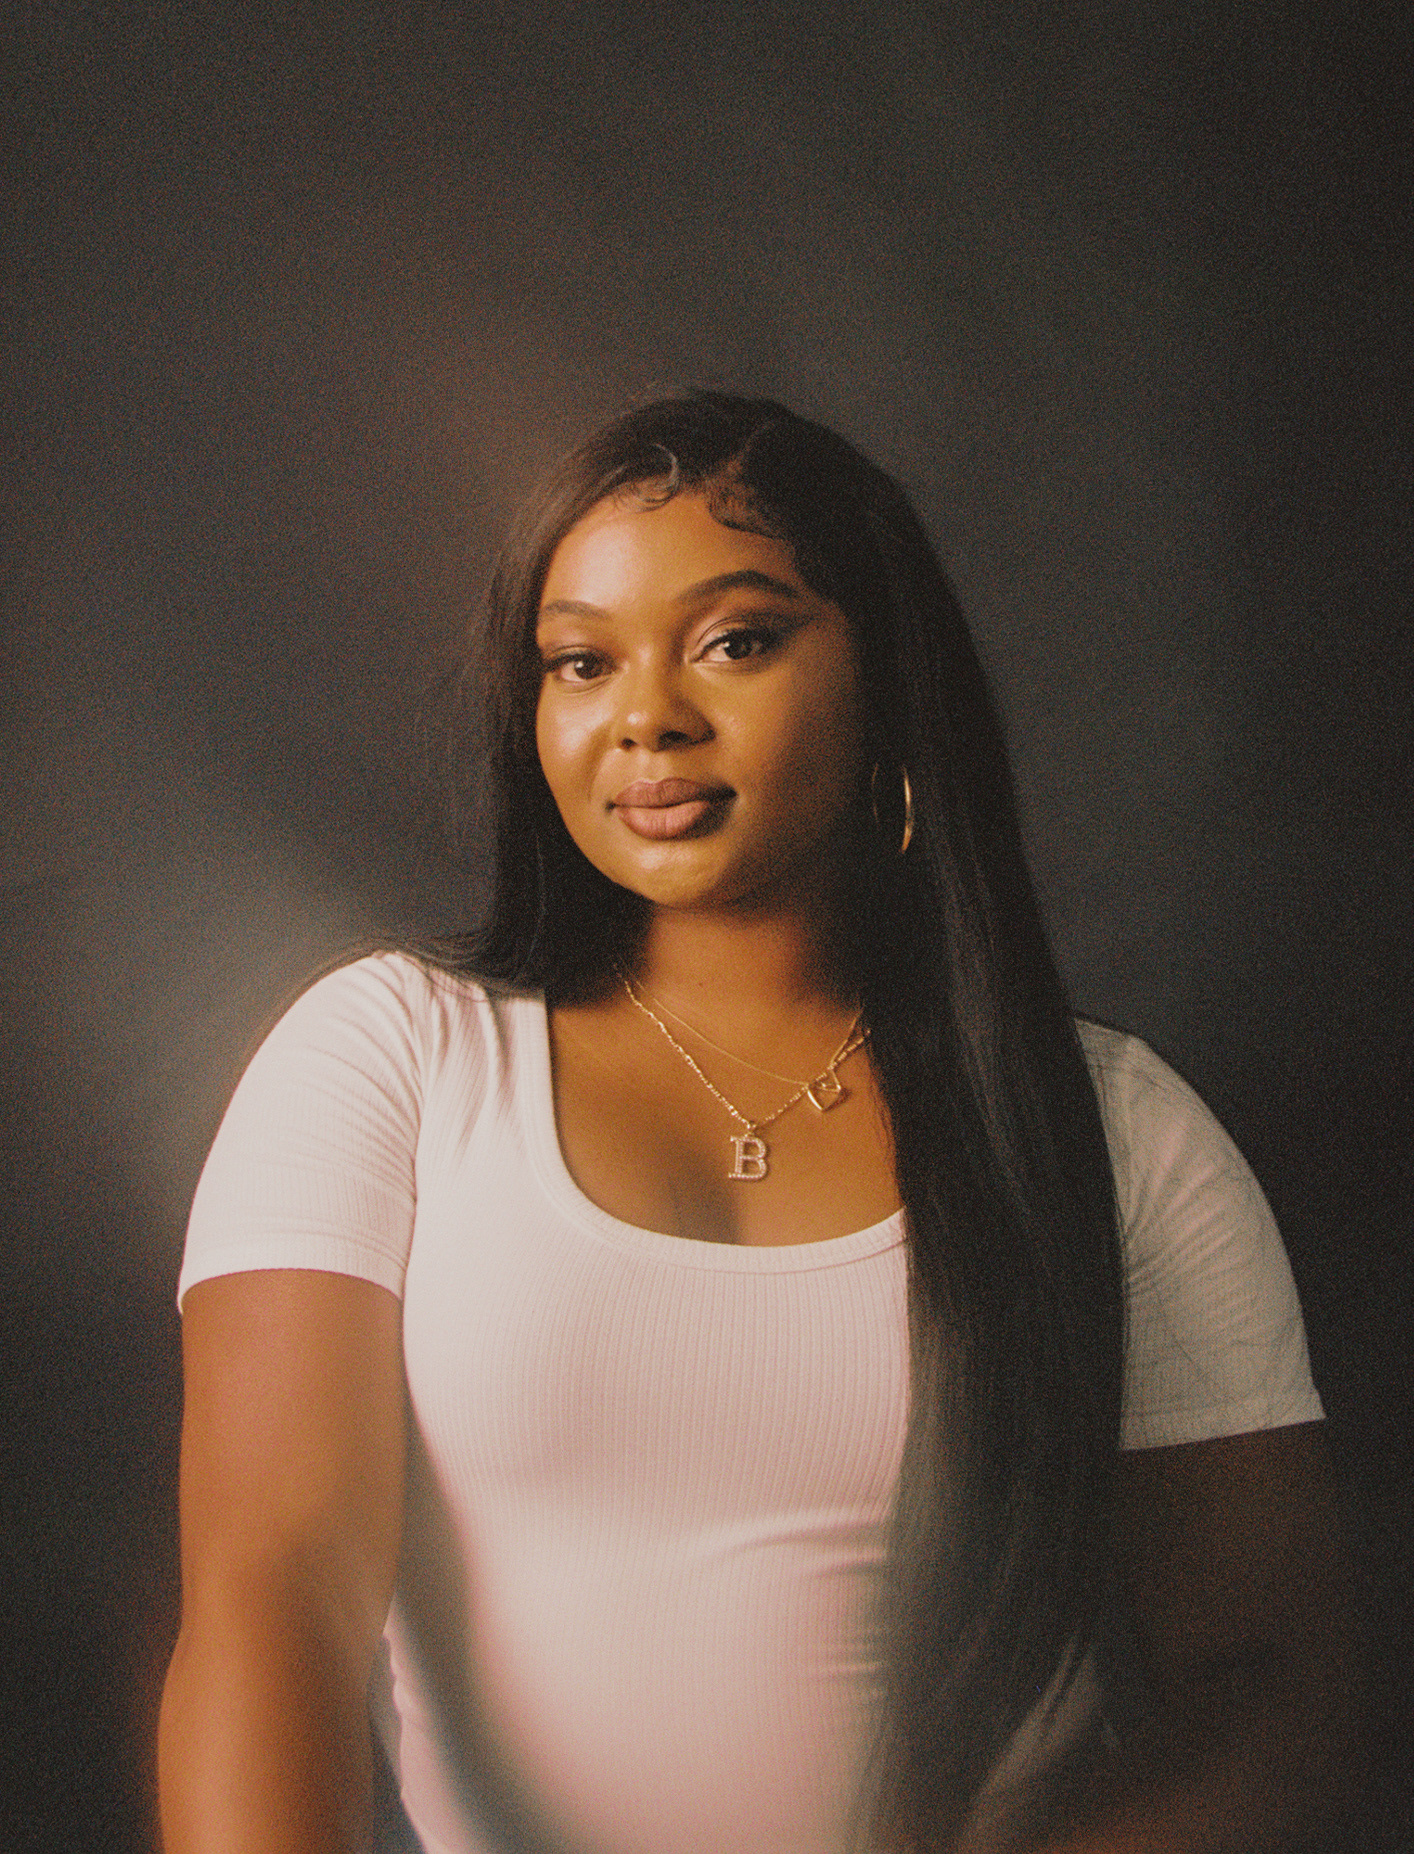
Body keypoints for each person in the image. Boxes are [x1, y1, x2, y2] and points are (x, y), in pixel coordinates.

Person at [158, 394, 1355, 1854]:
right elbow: (271, 1593)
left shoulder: (1109, 1129)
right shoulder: (392, 1058)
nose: (646, 714)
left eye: (733, 640)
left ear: (886, 682)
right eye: (581, 661)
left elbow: (1273, 1695)